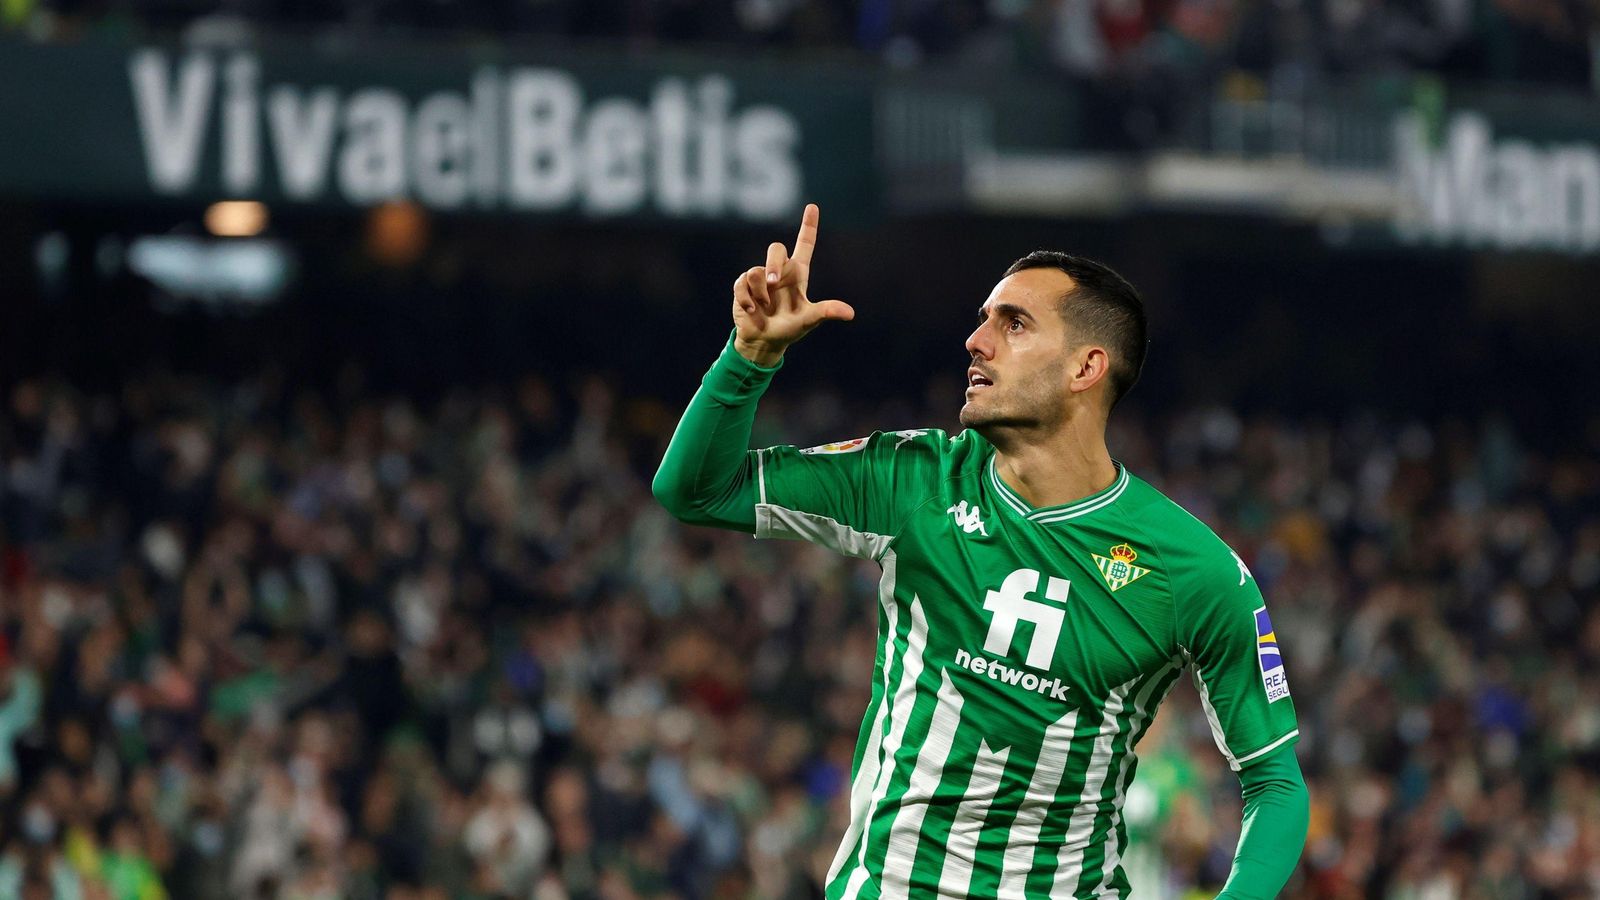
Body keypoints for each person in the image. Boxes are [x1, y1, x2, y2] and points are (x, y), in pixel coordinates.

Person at [653, 204, 1309, 899]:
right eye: (984, 318)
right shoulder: (914, 482)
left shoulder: (1194, 570)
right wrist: (748, 359)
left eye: (1013, 323)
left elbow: (1274, 780)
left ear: (1087, 366)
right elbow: (695, 491)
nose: (976, 341)